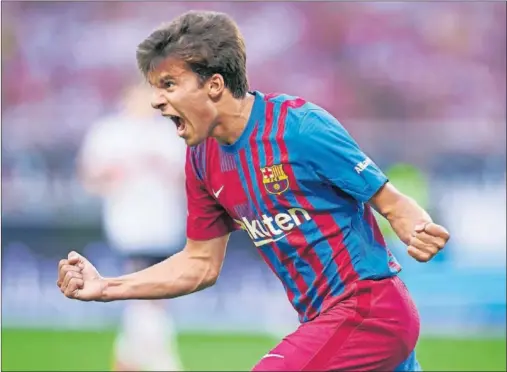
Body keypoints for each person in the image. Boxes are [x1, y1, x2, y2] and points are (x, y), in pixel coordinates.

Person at [58, 10, 450, 371]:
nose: (157, 100)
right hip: (327, 322)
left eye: (169, 85)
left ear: (213, 85)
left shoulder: (299, 128)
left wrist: (416, 227)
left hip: (369, 312)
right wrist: (106, 287)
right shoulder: (201, 159)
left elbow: (393, 203)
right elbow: (199, 265)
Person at [78, 85, 185, 371]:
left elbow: (188, 179)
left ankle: (128, 363)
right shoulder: (109, 133)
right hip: (129, 229)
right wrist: (112, 174)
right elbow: (90, 178)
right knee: (146, 296)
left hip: (165, 227)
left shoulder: (171, 132)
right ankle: (166, 363)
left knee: (152, 300)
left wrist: (163, 169)